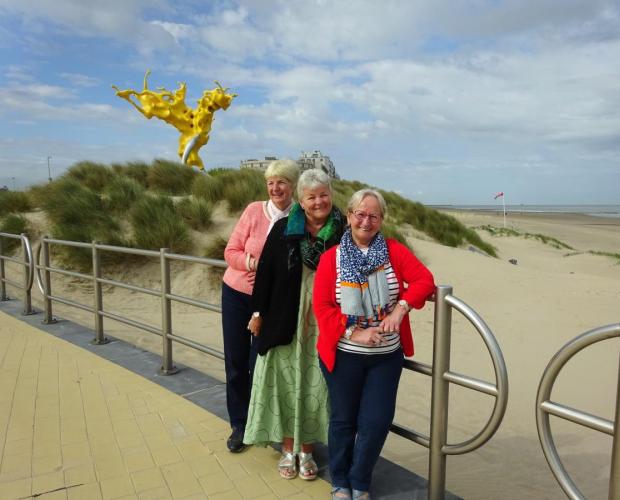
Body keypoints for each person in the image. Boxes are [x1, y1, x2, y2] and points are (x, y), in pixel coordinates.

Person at [313, 189, 435, 499]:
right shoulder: (332, 258)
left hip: (385, 357)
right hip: (344, 355)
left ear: (381, 220)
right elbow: (323, 307)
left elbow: (424, 281)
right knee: (343, 419)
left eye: (373, 215)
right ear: (350, 216)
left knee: (376, 421)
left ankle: (360, 480)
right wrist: (355, 332)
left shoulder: (394, 251)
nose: (366, 221)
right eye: (360, 214)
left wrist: (401, 308)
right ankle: (340, 481)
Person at [244, 169, 345, 480]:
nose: (318, 201)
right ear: (301, 200)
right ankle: (288, 448)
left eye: (323, 194)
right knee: (286, 383)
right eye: (311, 196)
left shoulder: (343, 230)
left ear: (331, 195)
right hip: (285, 317)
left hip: (324, 320)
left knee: (316, 384)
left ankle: (307, 450)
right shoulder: (285, 228)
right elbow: (266, 272)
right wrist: (258, 312)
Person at [221, 159, 300, 452]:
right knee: (236, 363)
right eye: (270, 182)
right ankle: (240, 425)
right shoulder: (254, 211)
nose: (275, 188)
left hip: (271, 304)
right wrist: (255, 264)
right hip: (237, 294)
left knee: (263, 365)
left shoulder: (298, 217)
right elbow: (230, 251)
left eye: (281, 182)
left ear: (292, 185)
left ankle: (262, 423)